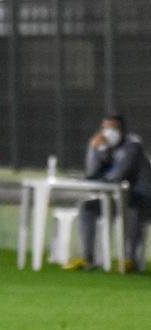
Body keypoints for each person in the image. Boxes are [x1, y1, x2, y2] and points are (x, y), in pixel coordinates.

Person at [64, 115, 151, 271]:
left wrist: (103, 150)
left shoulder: (132, 146)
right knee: (87, 208)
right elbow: (91, 173)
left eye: (113, 128)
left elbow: (117, 176)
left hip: (144, 199)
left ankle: (130, 260)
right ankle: (87, 258)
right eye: (105, 128)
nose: (108, 132)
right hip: (119, 198)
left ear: (122, 130)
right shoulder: (104, 144)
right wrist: (93, 149)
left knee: (131, 209)